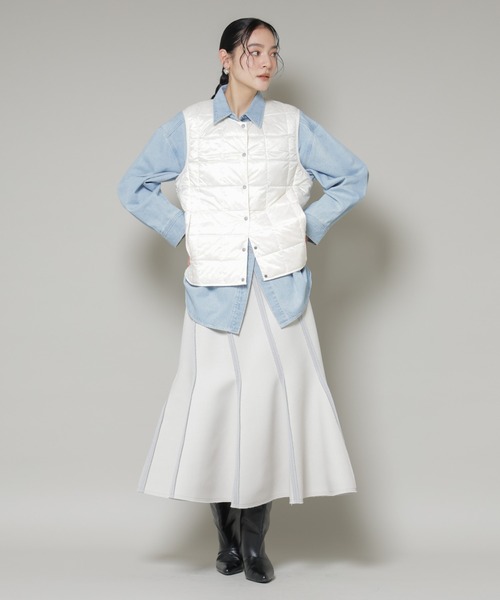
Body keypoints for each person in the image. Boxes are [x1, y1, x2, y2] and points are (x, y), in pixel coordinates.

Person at [118, 17, 368, 584]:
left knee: (267, 411)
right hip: (216, 288)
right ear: (225, 58)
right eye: (254, 51)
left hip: (279, 288)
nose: (266, 62)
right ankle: (226, 540)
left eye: (273, 53)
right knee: (217, 408)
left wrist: (305, 227)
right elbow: (133, 186)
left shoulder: (291, 124)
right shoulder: (188, 126)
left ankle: (254, 544)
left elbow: (351, 177)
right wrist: (185, 232)